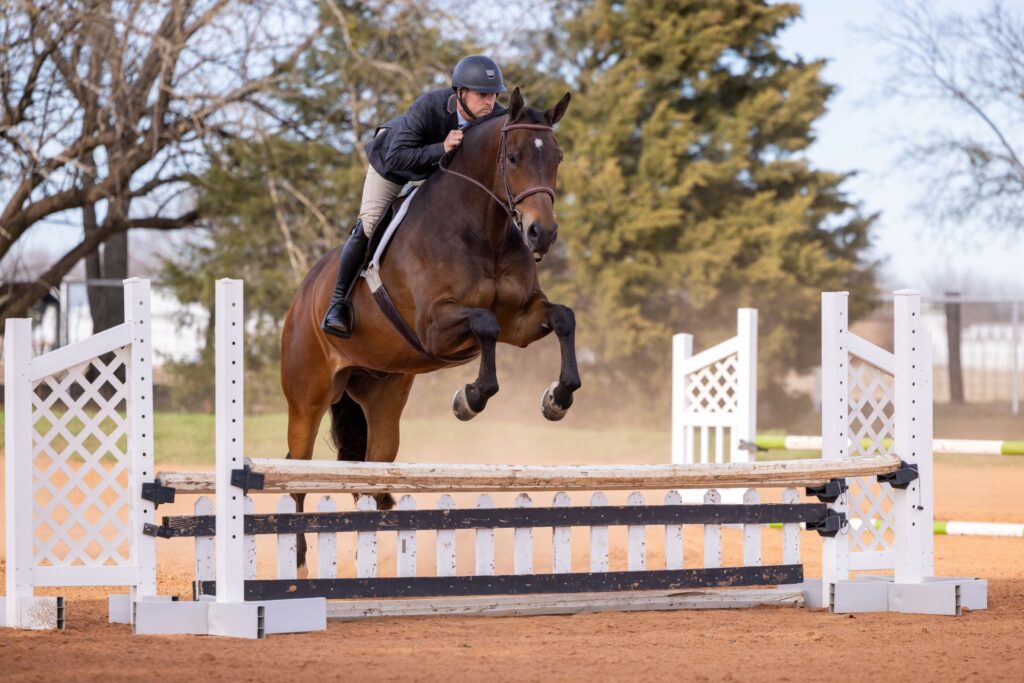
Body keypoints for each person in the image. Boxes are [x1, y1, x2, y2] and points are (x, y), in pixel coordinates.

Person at [321, 55, 508, 338]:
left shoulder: (493, 115)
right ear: (460, 93)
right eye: (482, 94)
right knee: (369, 224)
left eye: (494, 95)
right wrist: (441, 148)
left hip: (437, 173)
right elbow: (397, 157)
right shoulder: (429, 108)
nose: (490, 102)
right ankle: (337, 305)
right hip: (393, 165)